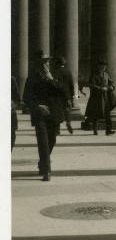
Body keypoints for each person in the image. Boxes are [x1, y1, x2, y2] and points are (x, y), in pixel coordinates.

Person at [22, 50, 66, 181]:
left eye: (47, 61)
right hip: (40, 114)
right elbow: (26, 97)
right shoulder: (32, 78)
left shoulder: (55, 75)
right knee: (43, 142)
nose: (45, 64)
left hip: (53, 114)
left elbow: (63, 92)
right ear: (37, 63)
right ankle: (47, 170)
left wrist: (51, 79)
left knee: (51, 140)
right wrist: (37, 106)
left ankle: (43, 163)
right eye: (42, 62)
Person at [85, 59, 116, 136]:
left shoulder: (106, 74)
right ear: (99, 66)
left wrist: (111, 87)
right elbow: (91, 84)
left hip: (105, 97)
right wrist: (100, 88)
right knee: (96, 114)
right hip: (96, 97)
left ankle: (108, 130)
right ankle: (95, 130)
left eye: (105, 66)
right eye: (102, 66)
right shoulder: (94, 74)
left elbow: (111, 83)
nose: (104, 67)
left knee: (107, 114)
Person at [53, 56, 74, 134]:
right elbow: (71, 85)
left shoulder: (56, 72)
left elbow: (55, 83)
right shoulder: (68, 71)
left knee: (57, 111)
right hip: (67, 95)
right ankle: (68, 122)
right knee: (67, 110)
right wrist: (72, 96)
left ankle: (57, 130)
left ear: (58, 64)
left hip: (58, 95)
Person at [11, 75, 20, 151]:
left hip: (10, 112)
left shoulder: (11, 79)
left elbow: (17, 97)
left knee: (11, 135)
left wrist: (13, 104)